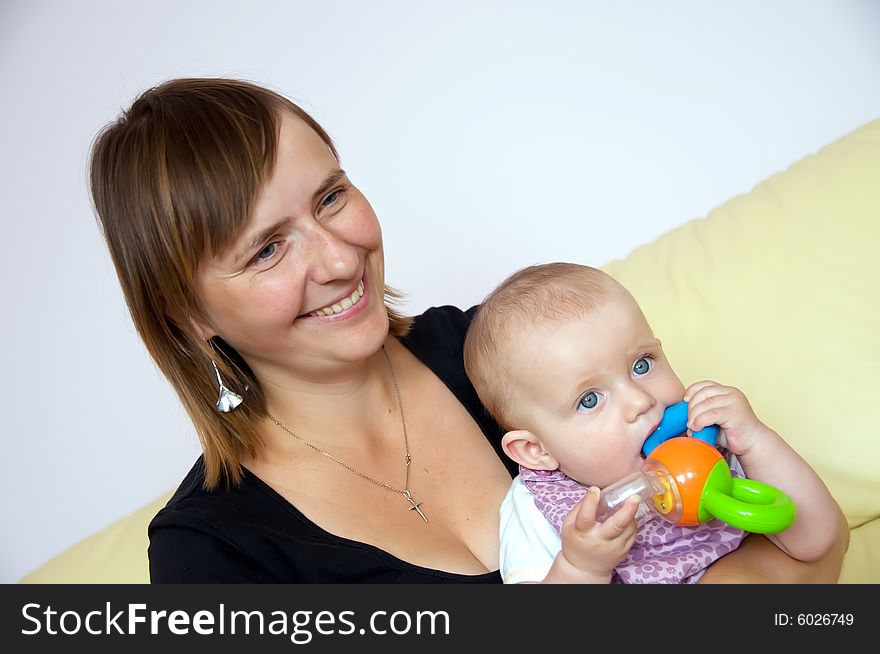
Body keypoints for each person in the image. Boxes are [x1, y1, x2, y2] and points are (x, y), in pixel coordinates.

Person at [89, 78, 847, 583]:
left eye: (329, 197)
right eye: (266, 248)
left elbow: (803, 554)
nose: (337, 255)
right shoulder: (212, 555)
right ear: (187, 317)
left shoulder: (502, 354)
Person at [463, 262, 845, 583]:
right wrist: (580, 567)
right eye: (590, 399)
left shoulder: (706, 441)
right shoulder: (540, 510)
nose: (640, 401)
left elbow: (817, 539)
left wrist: (755, 441)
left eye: (641, 364)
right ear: (536, 450)